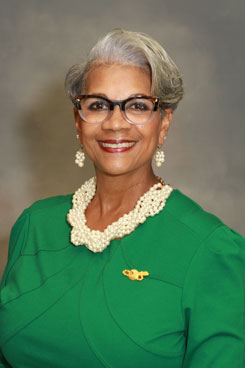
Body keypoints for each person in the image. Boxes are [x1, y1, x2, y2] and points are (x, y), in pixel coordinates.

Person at [0, 28, 244, 368]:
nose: (115, 123)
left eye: (138, 106)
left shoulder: (212, 251)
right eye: (98, 105)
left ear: (164, 124)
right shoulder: (34, 225)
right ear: (78, 120)